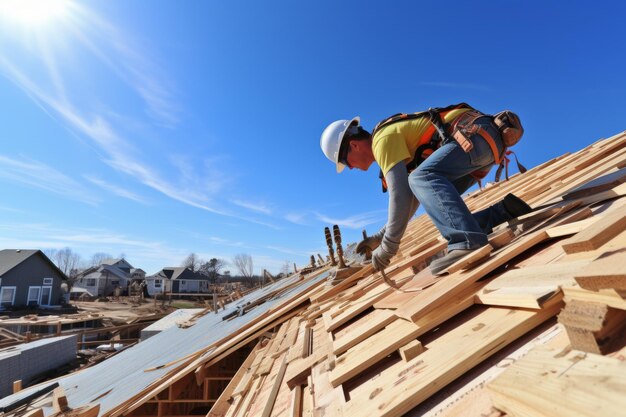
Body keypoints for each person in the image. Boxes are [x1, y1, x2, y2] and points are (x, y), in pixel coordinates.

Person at [320, 104, 532, 275]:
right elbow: (412, 198)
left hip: (474, 138)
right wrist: (379, 237)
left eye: (346, 163)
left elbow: (400, 196)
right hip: (481, 146)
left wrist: (387, 248)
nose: (351, 168)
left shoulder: (381, 141)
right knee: (438, 206)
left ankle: (468, 242)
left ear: (354, 146)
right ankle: (504, 211)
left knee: (420, 178)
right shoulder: (387, 142)